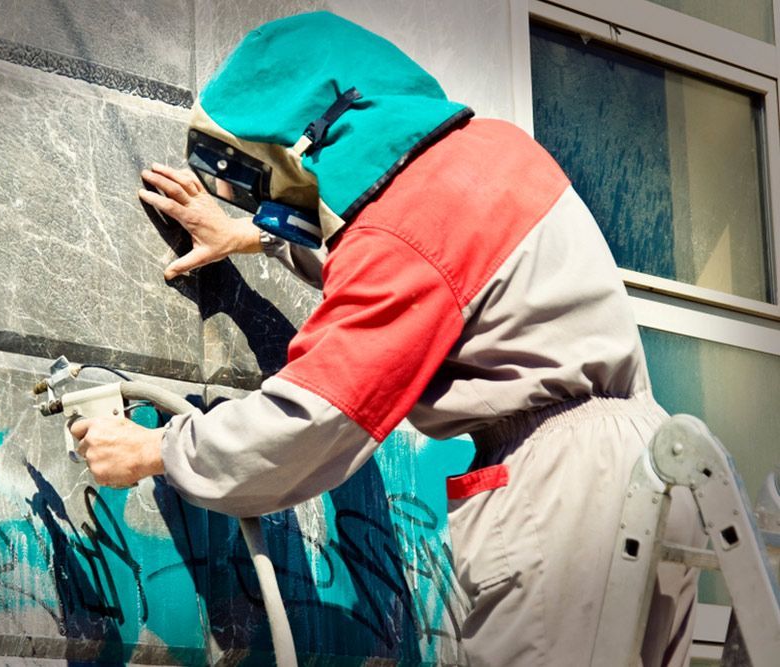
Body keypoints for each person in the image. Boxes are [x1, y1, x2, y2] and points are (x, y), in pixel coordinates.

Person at [69, 11, 701, 665]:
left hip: (564, 501)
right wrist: (254, 240)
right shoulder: (486, 151)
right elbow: (435, 274)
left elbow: (313, 416)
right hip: (651, 468)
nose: (265, 202)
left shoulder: (406, 229)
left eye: (264, 176)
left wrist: (158, 450)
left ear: (306, 142)